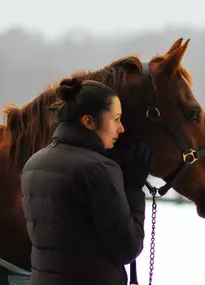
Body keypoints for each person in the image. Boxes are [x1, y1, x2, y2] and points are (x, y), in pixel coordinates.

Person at [20, 78, 152, 285]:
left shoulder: (33, 164)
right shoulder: (98, 170)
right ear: (88, 122)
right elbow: (128, 249)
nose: (122, 129)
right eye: (116, 119)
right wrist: (133, 187)